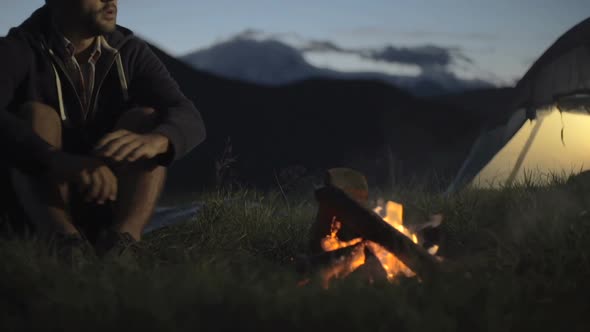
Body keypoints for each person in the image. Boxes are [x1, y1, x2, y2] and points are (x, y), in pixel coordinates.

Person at [0, 0, 206, 261]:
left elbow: (187, 114)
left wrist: (158, 140)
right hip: (36, 205)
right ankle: (62, 242)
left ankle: (123, 243)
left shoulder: (128, 50)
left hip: (105, 198)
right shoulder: (19, 48)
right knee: (38, 115)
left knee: (146, 120)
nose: (111, 1)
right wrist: (54, 159)